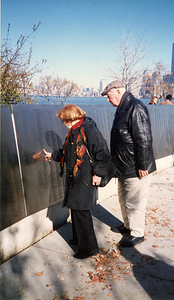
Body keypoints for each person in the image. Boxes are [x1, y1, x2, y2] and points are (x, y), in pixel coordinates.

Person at [43, 104, 111, 259]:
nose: (65, 124)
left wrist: (99, 174)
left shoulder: (88, 130)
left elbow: (103, 153)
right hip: (77, 178)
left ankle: (89, 249)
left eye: (65, 121)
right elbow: (67, 153)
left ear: (72, 118)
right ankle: (78, 239)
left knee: (81, 212)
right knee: (75, 209)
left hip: (85, 178)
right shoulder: (75, 131)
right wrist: (53, 155)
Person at [101, 80, 156, 247]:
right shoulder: (124, 108)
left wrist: (142, 165)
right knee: (124, 199)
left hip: (135, 167)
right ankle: (128, 227)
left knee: (135, 202)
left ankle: (137, 233)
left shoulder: (135, 107)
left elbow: (144, 139)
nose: (108, 100)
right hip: (123, 166)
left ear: (118, 92)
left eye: (109, 96)